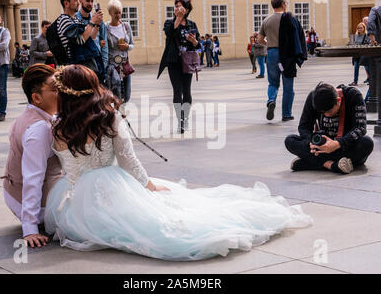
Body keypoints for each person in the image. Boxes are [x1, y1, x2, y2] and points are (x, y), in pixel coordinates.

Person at [44, 64, 312, 261]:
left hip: (78, 201)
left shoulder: (56, 128)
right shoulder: (108, 118)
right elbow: (128, 161)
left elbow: (68, 169)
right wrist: (148, 186)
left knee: (123, 226)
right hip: (114, 185)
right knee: (166, 218)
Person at [1, 64, 62, 248]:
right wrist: (30, 228)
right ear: (36, 97)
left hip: (11, 190)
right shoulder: (39, 129)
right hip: (29, 201)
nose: (62, 92)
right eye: (55, 90)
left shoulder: (31, 114)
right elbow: (32, 178)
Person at [285, 83, 373, 174]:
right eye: (323, 113)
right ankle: (332, 165)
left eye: (329, 111)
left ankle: (311, 162)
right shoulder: (313, 98)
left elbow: (360, 128)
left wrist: (338, 143)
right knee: (290, 140)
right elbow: (304, 127)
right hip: (321, 147)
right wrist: (311, 143)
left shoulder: (353, 95)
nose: (326, 115)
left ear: (338, 100)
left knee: (366, 143)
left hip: (345, 146)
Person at [258, 0, 307, 122]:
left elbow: (259, 39)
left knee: (273, 83)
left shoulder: (267, 20)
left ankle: (271, 100)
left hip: (272, 54)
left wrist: (270, 45)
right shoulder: (290, 18)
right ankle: (286, 114)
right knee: (288, 86)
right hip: (286, 55)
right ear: (283, 4)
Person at [157, 0, 201, 134]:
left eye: (180, 6)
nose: (177, 8)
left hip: (187, 61)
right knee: (177, 90)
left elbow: (198, 45)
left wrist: (194, 41)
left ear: (187, 10)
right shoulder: (169, 23)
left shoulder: (192, 25)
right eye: (175, 6)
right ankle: (180, 121)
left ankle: (185, 118)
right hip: (174, 61)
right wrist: (178, 18)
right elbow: (170, 34)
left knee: (187, 91)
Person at [56, 0, 104, 82]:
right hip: (74, 69)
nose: (79, 3)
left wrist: (97, 24)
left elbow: (90, 39)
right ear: (66, 3)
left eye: (78, 0)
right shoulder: (64, 20)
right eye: (75, 0)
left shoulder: (76, 19)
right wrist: (92, 22)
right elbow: (80, 41)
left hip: (83, 68)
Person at [75, 0, 108, 82]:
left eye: (92, 1)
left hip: (98, 65)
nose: (90, 3)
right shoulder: (76, 19)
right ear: (81, 1)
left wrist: (104, 64)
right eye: (87, 1)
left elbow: (104, 45)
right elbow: (81, 41)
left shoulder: (98, 20)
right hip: (84, 65)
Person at [105, 0, 135, 103]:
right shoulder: (105, 27)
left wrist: (126, 47)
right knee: (115, 95)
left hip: (125, 65)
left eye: (119, 12)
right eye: (115, 13)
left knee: (126, 95)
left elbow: (132, 45)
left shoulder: (126, 26)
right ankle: (117, 116)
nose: (118, 15)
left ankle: (121, 113)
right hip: (112, 65)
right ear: (110, 13)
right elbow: (104, 47)